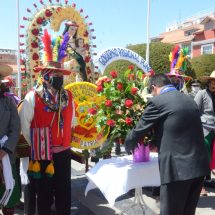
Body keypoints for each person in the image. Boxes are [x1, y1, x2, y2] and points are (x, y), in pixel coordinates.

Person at [125, 74, 209, 215]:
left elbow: (138, 131)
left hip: (178, 170)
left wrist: (128, 146)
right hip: (199, 167)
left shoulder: (158, 102)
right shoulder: (188, 99)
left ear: (154, 88)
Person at [0, 64, 21, 215]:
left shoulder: (9, 102)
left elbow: (16, 128)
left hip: (6, 156)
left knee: (9, 201)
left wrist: (5, 149)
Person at [194, 71, 215, 191]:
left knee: (212, 158)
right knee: (203, 158)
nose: (214, 84)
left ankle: (207, 180)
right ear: (209, 82)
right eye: (213, 81)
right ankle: (200, 185)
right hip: (204, 129)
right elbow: (194, 111)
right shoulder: (201, 94)